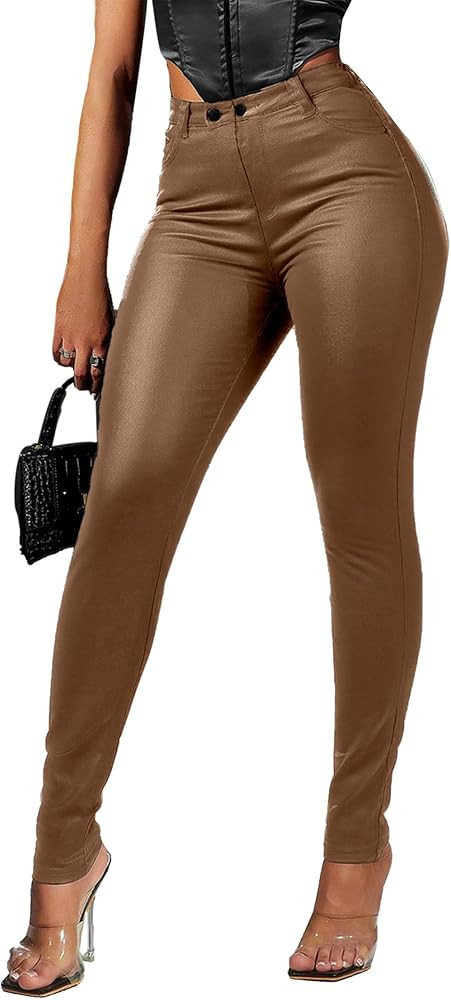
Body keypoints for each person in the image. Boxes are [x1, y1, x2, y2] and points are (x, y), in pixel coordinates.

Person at [2, 0, 448, 991]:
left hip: (346, 172)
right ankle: (64, 851)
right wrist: (83, 266)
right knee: (123, 502)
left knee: (359, 513)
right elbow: (113, 68)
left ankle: (354, 853)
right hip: (195, 193)